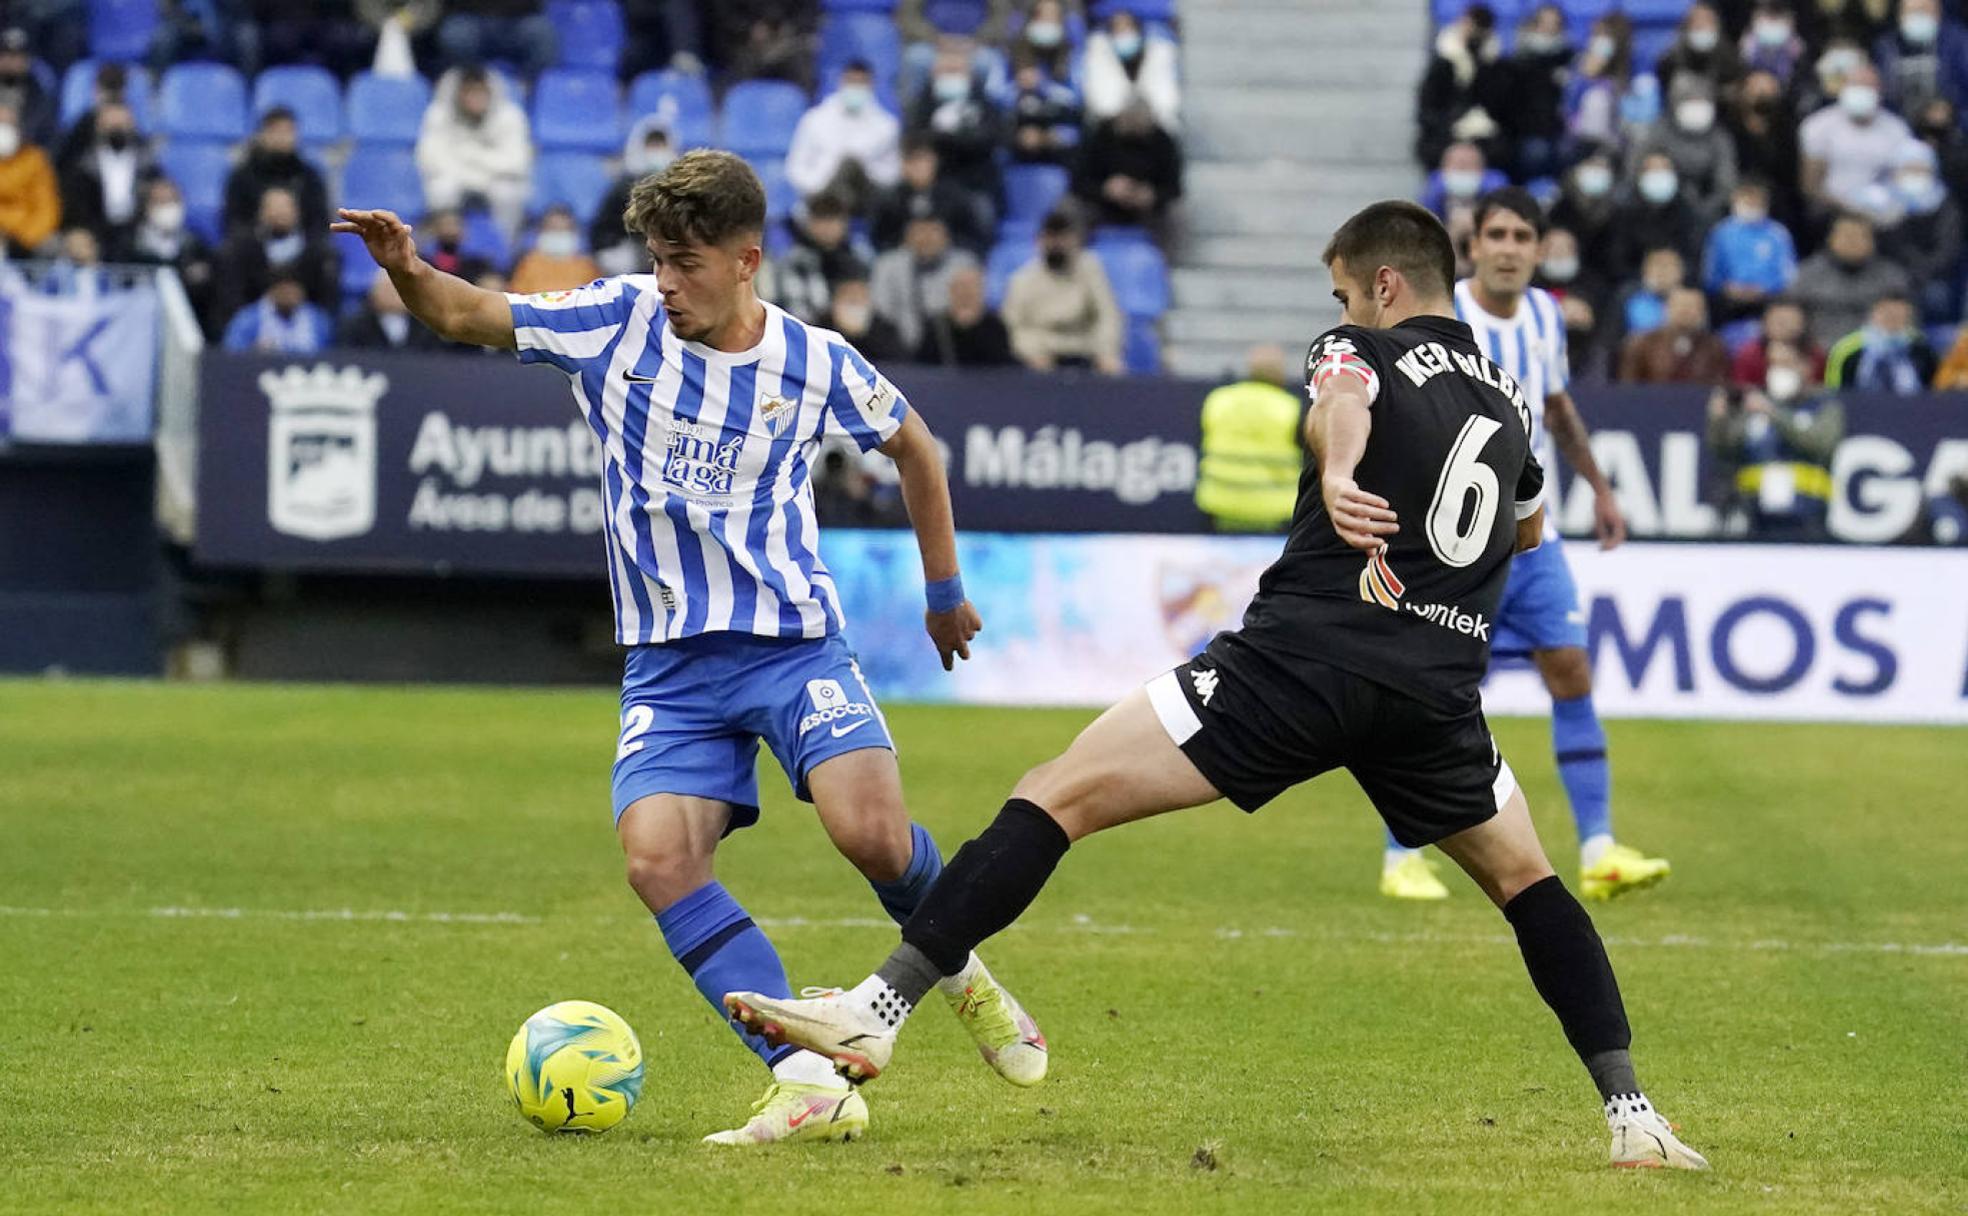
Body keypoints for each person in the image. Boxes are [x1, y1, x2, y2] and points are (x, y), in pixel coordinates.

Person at [725, 199, 1709, 1173]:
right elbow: (1528, 527)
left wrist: (1339, 472)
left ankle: (878, 1010)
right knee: (1531, 883)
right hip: (1433, 692)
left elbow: (1340, 406)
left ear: (1383, 284)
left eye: (1342, 292)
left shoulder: (1354, 347)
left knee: (1056, 791)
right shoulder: (1508, 399)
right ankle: (1635, 1114)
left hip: (1299, 662)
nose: (1340, 308)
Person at [333, 147, 1046, 1147]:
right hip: (670, 666)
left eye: (688, 264)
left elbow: (915, 448)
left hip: (792, 647)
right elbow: (465, 313)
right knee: (657, 857)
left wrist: (943, 591)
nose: (666, 283)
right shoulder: (614, 321)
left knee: (873, 835)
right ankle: (805, 1076)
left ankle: (959, 974)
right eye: (658, 260)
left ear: (747, 258)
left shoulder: (812, 360)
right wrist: (406, 266)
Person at [1380, 188, 1664, 902]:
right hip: (1452, 542)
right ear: (1473, 247)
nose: (1508, 247)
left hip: (1536, 538)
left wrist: (1599, 488)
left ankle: (1599, 848)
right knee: (1429, 690)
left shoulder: (1543, 314)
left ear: (1539, 249)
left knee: (1570, 669)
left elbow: (1558, 407)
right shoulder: (1443, 319)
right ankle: (1401, 855)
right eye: (1495, 235)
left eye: (1521, 236)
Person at [1707, 360, 1843, 539]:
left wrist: (1774, 413)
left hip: (1807, 512)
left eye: (1786, 364)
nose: (1779, 372)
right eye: (1773, 365)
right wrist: (1719, 420)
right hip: (1755, 511)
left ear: (1805, 367)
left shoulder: (1822, 406)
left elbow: (1820, 443)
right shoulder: (1752, 407)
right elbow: (1726, 449)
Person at [1001, 204, 1123, 374]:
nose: (1057, 244)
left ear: (1074, 240)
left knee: (1113, 367)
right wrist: (1031, 351)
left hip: (1085, 349)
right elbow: (1013, 327)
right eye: (1051, 238)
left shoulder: (1091, 270)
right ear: (1039, 241)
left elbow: (1108, 315)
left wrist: (1106, 351)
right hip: (1042, 352)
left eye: (1063, 238)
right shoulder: (1022, 280)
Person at [1194, 344, 1304, 532]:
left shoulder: (1218, 400)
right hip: (1274, 511)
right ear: (1280, 374)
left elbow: (1201, 441)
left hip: (1220, 505)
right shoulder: (1291, 408)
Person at [416, 64, 533, 237]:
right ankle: (444, 246)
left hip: (495, 179)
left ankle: (505, 246)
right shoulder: (438, 114)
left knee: (508, 193)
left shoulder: (511, 116)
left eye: (481, 93)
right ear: (459, 93)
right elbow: (429, 158)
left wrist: (471, 155)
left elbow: (517, 162)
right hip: (456, 177)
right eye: (469, 92)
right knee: (441, 188)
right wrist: (471, 169)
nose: (475, 99)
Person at [905, 44, 1005, 232]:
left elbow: (987, 141)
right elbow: (916, 139)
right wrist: (961, 139)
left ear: (970, 74)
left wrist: (942, 138)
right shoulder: (921, 106)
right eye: (946, 71)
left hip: (976, 185)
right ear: (934, 73)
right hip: (933, 186)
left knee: (982, 213)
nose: (951, 77)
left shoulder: (986, 105)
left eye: (956, 70)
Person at [785, 60, 902, 215]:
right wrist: (816, 185)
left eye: (862, 82)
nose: (856, 87)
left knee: (851, 163)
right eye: (852, 81)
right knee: (844, 167)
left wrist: (868, 170)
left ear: (872, 85)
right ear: (841, 82)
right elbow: (795, 166)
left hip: (867, 193)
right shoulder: (814, 119)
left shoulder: (887, 125)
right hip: (822, 190)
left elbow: (893, 171)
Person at [212, 186, 338, 328]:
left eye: (285, 207)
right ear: (260, 213)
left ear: (297, 212)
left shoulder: (318, 253)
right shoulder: (239, 251)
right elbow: (232, 298)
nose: (279, 213)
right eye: (273, 207)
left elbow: (326, 300)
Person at [1801, 63, 1916, 218]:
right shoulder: (1817, 126)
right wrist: (1850, 210)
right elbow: (1811, 185)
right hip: (1831, 211)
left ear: (1879, 92)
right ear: (1844, 88)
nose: (1862, 91)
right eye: (1856, 85)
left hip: (1883, 213)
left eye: (1868, 87)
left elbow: (1903, 177)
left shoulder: (1897, 130)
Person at [1868, 140, 1963, 321]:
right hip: (1889, 271)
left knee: (1935, 295)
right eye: (1909, 169)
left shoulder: (1946, 204)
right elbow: (1886, 246)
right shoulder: (1880, 203)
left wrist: (1923, 270)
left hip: (1934, 274)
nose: (1915, 175)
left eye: (1921, 170)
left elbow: (1948, 248)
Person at [1791, 212, 1913, 347]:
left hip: (1875, 353)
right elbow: (1790, 317)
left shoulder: (1891, 277)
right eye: (1847, 236)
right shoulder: (1808, 274)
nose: (1853, 242)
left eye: (1861, 236)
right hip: (1819, 354)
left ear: (1873, 241)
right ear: (1830, 239)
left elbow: (1909, 325)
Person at [1625, 75, 1738, 223]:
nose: (1697, 108)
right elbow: (1634, 170)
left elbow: (1726, 182)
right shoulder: (1657, 132)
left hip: (1705, 208)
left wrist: (1705, 209)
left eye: (1703, 101)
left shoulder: (1720, 138)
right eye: (1691, 101)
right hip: (1658, 206)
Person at [1416, 2, 1509, 169]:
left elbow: (1502, 107)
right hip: (1444, 132)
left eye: (1477, 26)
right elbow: (1427, 109)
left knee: (1499, 150)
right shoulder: (1443, 64)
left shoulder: (1496, 67)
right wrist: (1454, 125)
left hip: (1485, 135)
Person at [870, 212, 978, 354]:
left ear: (947, 236)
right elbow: (881, 308)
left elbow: (969, 306)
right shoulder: (887, 265)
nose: (927, 238)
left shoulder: (963, 264)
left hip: (948, 342)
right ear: (907, 237)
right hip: (896, 346)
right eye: (920, 231)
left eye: (934, 230)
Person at [56, 99, 153, 256]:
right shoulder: (81, 164)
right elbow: (74, 206)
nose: (116, 126)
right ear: (98, 124)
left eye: (122, 121)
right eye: (110, 121)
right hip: (94, 232)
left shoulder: (147, 163)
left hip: (137, 234)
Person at [1072, 100, 1182, 230]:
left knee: (1176, 214)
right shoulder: (1099, 135)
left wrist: (1153, 195)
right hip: (1102, 204)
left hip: (1147, 209)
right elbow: (1078, 182)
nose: (1134, 127)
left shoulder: (1163, 141)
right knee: (1073, 209)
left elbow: (1174, 188)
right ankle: (1075, 249)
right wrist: (1105, 189)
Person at [870, 135, 989, 255]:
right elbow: (879, 241)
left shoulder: (954, 196)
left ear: (934, 161)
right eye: (910, 161)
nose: (917, 167)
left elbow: (974, 239)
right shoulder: (890, 200)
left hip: (948, 258)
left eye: (921, 160)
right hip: (904, 260)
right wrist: (906, 240)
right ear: (902, 165)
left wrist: (944, 239)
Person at [223, 106, 330, 237]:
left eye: (288, 131)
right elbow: (232, 222)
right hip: (253, 245)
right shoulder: (242, 176)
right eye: (276, 131)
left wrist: (293, 221)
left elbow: (320, 221)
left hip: (302, 245)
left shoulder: (309, 175)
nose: (282, 137)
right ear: (262, 134)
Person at [1702, 178, 1798, 323]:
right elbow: (1710, 273)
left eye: (1756, 202)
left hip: (1767, 302)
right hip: (1728, 302)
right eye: (1747, 201)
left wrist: (1765, 289)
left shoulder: (1778, 234)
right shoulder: (1721, 232)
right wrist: (1726, 288)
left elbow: (1788, 275)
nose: (1752, 206)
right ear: (1735, 201)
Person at [123, 176, 216, 327]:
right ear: (147, 206)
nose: (169, 208)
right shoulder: (130, 246)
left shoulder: (196, 245)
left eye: (173, 201)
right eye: (161, 203)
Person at [593, 117, 676, 276]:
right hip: (631, 248)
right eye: (652, 145)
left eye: (661, 145)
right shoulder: (623, 185)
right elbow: (603, 226)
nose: (657, 151)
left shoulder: (680, 185)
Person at [769, 192, 868, 326]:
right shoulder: (794, 262)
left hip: (855, 338)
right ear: (809, 222)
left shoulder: (856, 260)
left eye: (834, 218)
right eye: (821, 219)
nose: (828, 226)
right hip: (810, 336)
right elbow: (798, 314)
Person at [1611, 151, 1705, 279]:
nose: (1659, 175)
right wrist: (1648, 277)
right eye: (1652, 170)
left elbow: (1695, 258)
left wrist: (1674, 276)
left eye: (1664, 169)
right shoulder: (1625, 214)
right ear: (1640, 176)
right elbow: (1617, 261)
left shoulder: (1688, 214)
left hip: (1679, 282)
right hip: (1637, 282)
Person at [1082, 10, 1179, 131]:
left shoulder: (1159, 54)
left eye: (1127, 28)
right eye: (1118, 29)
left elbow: (1166, 102)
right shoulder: (1099, 54)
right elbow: (1102, 104)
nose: (1123, 34)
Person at [1824, 291, 1938, 390]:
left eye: (1900, 316)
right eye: (1888, 315)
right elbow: (1835, 393)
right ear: (1874, 313)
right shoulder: (1847, 350)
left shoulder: (1922, 348)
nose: (1893, 321)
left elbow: (1933, 390)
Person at [1873, 0, 1968, 118]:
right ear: (1900, 15)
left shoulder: (1958, 42)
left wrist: (1953, 115)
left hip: (1952, 128)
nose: (1918, 16)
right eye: (1912, 11)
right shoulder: (1886, 47)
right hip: (1898, 128)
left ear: (1938, 14)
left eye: (1924, 10)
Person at [1617, 286, 1731, 383]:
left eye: (1692, 307)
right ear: (1666, 309)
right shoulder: (1641, 344)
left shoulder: (1714, 346)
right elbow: (1628, 388)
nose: (1685, 311)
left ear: (1702, 312)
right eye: (1680, 306)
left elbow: (1720, 388)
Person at [915, 263, 1013, 367]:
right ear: (951, 291)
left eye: (972, 287)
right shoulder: (936, 326)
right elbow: (920, 367)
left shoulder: (994, 326)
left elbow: (1005, 368)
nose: (966, 293)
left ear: (982, 292)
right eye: (961, 287)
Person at [221, 266, 333, 354]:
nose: (291, 295)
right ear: (272, 290)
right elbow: (231, 353)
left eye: (295, 289)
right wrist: (253, 351)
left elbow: (330, 353)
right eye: (285, 290)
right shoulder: (248, 319)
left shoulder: (317, 319)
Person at [434, 0, 558, 79]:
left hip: (519, 20)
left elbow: (535, 5)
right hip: (472, 18)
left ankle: (529, 90)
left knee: (543, 36)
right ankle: (472, 84)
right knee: (455, 35)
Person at [0, 99, 59, 255]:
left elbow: (46, 208)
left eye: (8, 125)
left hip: (24, 234)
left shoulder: (34, 159)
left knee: (52, 246)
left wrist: (25, 238)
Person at [1006, 49, 1080, 166]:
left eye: (1031, 70)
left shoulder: (1061, 98)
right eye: (1021, 71)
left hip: (1054, 163)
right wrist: (1018, 137)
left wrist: (1045, 137)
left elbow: (1075, 134)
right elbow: (996, 132)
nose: (1026, 76)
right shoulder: (1006, 99)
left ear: (1040, 73)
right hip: (1015, 163)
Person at [337, 269, 442, 352]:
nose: (393, 294)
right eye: (387, 288)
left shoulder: (425, 327)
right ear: (374, 293)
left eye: (398, 289)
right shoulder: (355, 326)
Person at [1654, 2, 1744, 97]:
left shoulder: (1730, 58)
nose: (1702, 27)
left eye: (1707, 22)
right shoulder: (1670, 58)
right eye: (1696, 23)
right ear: (1686, 27)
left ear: (1717, 26)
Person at [508, 204, 602, 295]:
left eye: (563, 230)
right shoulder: (528, 264)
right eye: (553, 229)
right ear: (541, 231)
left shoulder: (587, 266)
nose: (558, 235)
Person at [1732, 296, 1827, 385]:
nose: (1785, 327)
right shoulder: (1749, 355)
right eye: (1779, 321)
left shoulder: (1816, 354)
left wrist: (1804, 373)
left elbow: (1824, 389)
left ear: (1803, 324)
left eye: (1791, 321)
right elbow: (1741, 388)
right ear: (1765, 324)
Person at [823, 274, 910, 363]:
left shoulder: (884, 330)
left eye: (860, 296)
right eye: (848, 295)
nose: (854, 300)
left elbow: (898, 365)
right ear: (834, 301)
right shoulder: (820, 329)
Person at [1420, 141, 1508, 222]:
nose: (1463, 168)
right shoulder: (1435, 185)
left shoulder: (1494, 184)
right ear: (1443, 167)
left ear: (1482, 168)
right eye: (1458, 164)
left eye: (1469, 164)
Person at [1740, 0, 1807, 87]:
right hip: (1755, 78)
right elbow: (1745, 57)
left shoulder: (1793, 43)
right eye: (1767, 16)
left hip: (1785, 83)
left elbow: (1799, 54)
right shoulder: (1750, 42)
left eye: (1776, 17)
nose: (1771, 21)